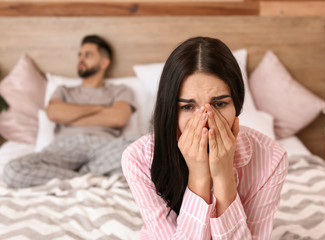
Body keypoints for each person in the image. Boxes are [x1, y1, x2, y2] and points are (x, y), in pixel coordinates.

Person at [121, 36, 288, 239]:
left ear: (237, 104)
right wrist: (199, 176)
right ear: (171, 112)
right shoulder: (139, 158)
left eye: (219, 104)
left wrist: (223, 175)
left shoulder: (271, 158)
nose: (206, 121)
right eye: (188, 107)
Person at [3, 35, 135, 188]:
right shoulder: (63, 91)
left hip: (104, 147)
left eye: (88, 55)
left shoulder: (120, 90)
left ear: (105, 62)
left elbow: (118, 118)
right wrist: (100, 109)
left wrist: (70, 116)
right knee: (12, 170)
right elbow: (53, 114)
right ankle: (94, 178)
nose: (81, 59)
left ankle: (76, 178)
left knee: (144, 150)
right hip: (64, 148)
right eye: (80, 55)